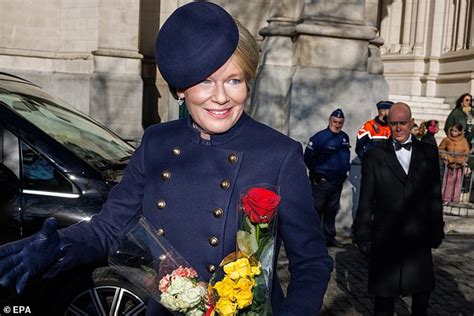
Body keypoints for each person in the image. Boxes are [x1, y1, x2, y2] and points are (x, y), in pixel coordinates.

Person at [0, 2, 333, 315]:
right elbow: (108, 229)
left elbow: (311, 262)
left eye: (234, 80)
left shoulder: (279, 153)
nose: (221, 97)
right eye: (205, 81)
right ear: (180, 90)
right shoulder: (157, 143)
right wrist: (59, 247)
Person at [352, 102, 445, 315]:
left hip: (418, 235)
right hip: (385, 235)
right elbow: (366, 198)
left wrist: (437, 227)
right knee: (383, 298)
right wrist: (362, 232)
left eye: (403, 123)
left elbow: (434, 194)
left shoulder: (428, 152)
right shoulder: (375, 155)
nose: (398, 128)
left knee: (421, 295)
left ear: (412, 123)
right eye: (394, 123)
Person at [304, 108, 351, 247]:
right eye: (335, 121)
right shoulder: (320, 138)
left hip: (337, 182)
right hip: (322, 182)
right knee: (316, 211)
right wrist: (317, 174)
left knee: (331, 211)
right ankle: (313, 239)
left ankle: (329, 237)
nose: (337, 125)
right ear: (329, 121)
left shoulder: (344, 137)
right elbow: (308, 158)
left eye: (340, 123)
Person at [439, 123, 470, 204]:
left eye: (455, 131)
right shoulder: (446, 139)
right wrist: (446, 157)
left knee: (458, 183)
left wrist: (462, 160)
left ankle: (455, 200)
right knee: (448, 182)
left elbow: (466, 151)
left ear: (460, 132)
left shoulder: (464, 141)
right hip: (450, 165)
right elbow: (441, 149)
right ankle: (446, 199)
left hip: (459, 165)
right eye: (452, 130)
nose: (453, 132)